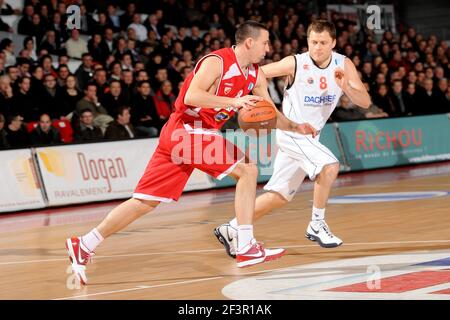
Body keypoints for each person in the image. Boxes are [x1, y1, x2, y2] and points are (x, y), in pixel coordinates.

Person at [65, 21, 317, 285]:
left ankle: (84, 244)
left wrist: (296, 127)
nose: (269, 48)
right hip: (187, 129)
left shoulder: (256, 75)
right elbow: (192, 96)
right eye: (265, 43)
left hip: (188, 135)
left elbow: (269, 111)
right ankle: (244, 245)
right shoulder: (217, 61)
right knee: (248, 170)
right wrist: (233, 101)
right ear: (250, 42)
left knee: (144, 202)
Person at [214, 20, 371, 258]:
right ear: (307, 41)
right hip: (292, 132)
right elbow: (258, 73)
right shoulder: (295, 62)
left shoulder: (343, 64)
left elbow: (365, 102)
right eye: (313, 42)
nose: (317, 47)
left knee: (279, 196)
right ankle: (316, 224)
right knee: (329, 166)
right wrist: (227, 89)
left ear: (334, 43)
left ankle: (232, 227)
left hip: (311, 138)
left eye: (323, 43)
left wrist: (346, 87)